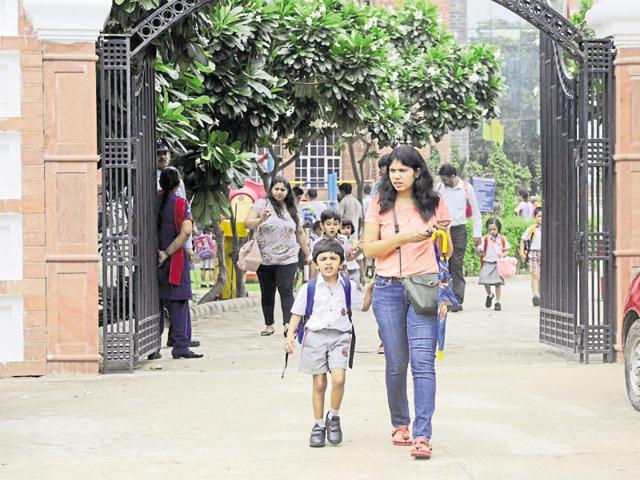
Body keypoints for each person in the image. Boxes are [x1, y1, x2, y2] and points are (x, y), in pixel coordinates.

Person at [362, 145, 451, 460]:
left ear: (417, 172)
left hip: (424, 286)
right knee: (397, 362)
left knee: (423, 363)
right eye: (392, 170)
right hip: (387, 288)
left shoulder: (435, 203)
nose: (396, 176)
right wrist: (404, 237)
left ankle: (423, 434)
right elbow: (369, 249)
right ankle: (400, 423)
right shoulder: (379, 204)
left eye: (403, 170)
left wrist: (439, 236)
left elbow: (448, 250)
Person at [284, 239, 372, 448]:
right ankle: (318, 425)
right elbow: (297, 312)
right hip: (315, 337)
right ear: (315, 263)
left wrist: (371, 288)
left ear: (341, 262)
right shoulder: (309, 288)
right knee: (319, 383)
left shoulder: (348, 286)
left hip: (341, 337)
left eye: (333, 258)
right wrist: (289, 336)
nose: (328, 262)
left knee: (339, 379)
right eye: (323, 259)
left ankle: (334, 417)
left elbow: (364, 306)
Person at [245, 176, 312, 337]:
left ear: (287, 191)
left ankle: (288, 324)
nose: (280, 192)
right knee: (267, 292)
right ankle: (269, 325)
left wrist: (308, 254)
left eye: (283, 189)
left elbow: (300, 233)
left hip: (288, 258)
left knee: (286, 290)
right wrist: (260, 219)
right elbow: (247, 223)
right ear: (271, 190)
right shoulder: (262, 204)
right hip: (264, 258)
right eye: (277, 189)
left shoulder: (292, 208)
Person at [152, 167, 203, 360]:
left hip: (153, 259)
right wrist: (167, 252)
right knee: (179, 302)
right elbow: (186, 231)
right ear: (177, 183)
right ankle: (180, 345)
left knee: (154, 303)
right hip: (174, 260)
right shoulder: (180, 203)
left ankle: (151, 346)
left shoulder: (152, 201)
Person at [437, 163, 482, 312]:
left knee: (456, 263)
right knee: (443, 263)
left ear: (453, 177)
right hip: (442, 230)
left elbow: (476, 212)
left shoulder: (466, 188)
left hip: (458, 230)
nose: (444, 182)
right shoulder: (439, 188)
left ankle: (456, 299)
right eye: (442, 179)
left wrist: (477, 234)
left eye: (446, 179)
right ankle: (445, 297)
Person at [156, 138, 195, 263]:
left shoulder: (177, 178)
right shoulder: (149, 178)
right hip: (159, 238)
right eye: (158, 153)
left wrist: (188, 246)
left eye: (165, 153)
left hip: (178, 240)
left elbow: (185, 209)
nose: (162, 156)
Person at [476, 218, 510, 312]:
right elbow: (480, 250)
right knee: (484, 281)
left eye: (494, 229)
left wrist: (503, 254)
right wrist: (478, 248)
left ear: (498, 228)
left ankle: (497, 302)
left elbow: (507, 249)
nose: (492, 231)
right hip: (487, 262)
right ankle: (490, 295)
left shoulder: (502, 239)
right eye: (490, 229)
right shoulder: (485, 239)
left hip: (498, 264)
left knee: (497, 284)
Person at [309, 209, 352, 279]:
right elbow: (313, 263)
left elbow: (347, 257)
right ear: (322, 225)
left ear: (339, 225)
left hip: (341, 275)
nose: (332, 227)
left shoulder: (344, 240)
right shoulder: (317, 242)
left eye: (335, 224)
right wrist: (312, 281)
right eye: (328, 224)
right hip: (324, 275)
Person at [520, 207, 543, 306]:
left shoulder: (549, 228)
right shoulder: (532, 229)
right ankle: (536, 295)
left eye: (543, 216)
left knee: (542, 276)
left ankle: (542, 295)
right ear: (535, 217)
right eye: (539, 216)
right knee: (535, 275)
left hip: (546, 253)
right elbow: (523, 239)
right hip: (534, 253)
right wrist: (522, 252)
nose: (541, 218)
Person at [339, 219, 365, 288]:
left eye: (348, 228)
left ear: (352, 229)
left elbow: (360, 260)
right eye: (343, 228)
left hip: (354, 271)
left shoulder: (354, 243)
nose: (346, 230)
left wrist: (362, 276)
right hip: (341, 272)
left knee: (355, 291)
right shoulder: (337, 242)